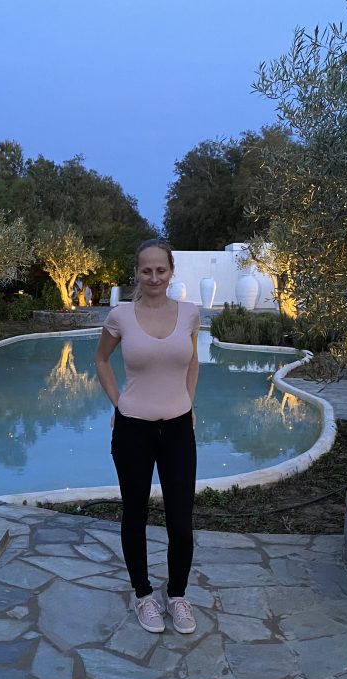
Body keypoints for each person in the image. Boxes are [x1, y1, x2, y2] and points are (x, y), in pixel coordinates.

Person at [94, 238, 200, 634]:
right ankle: (143, 595)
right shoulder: (121, 315)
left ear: (171, 272)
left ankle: (177, 595)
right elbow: (101, 359)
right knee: (135, 514)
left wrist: (188, 402)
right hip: (133, 430)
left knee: (181, 521)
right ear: (137, 273)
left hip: (178, 429)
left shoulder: (190, 313)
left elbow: (192, 362)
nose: (154, 277)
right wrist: (118, 402)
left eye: (161, 270)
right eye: (146, 270)